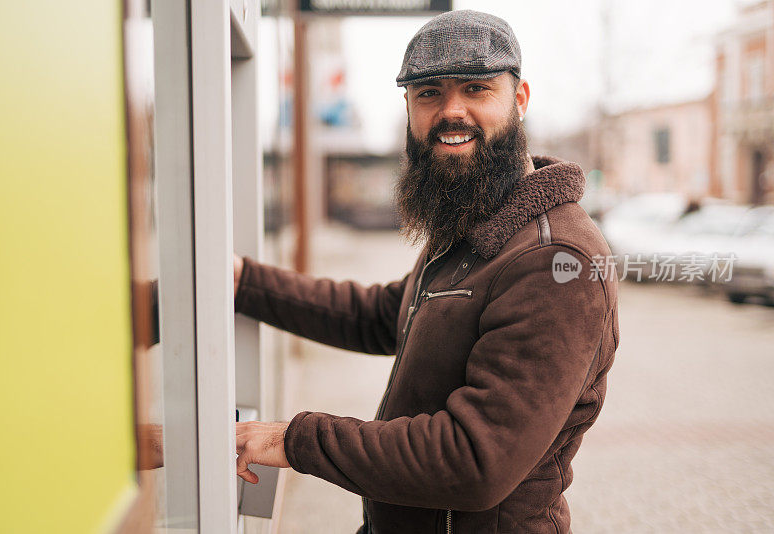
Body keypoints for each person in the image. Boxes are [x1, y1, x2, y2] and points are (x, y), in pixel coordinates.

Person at [233, 10, 619, 534]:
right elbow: (380, 315)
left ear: (520, 99)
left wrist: (291, 440)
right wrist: (244, 282)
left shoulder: (555, 261)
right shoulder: (477, 224)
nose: (450, 111)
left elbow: (473, 461)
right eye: (428, 93)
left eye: (476, 89)